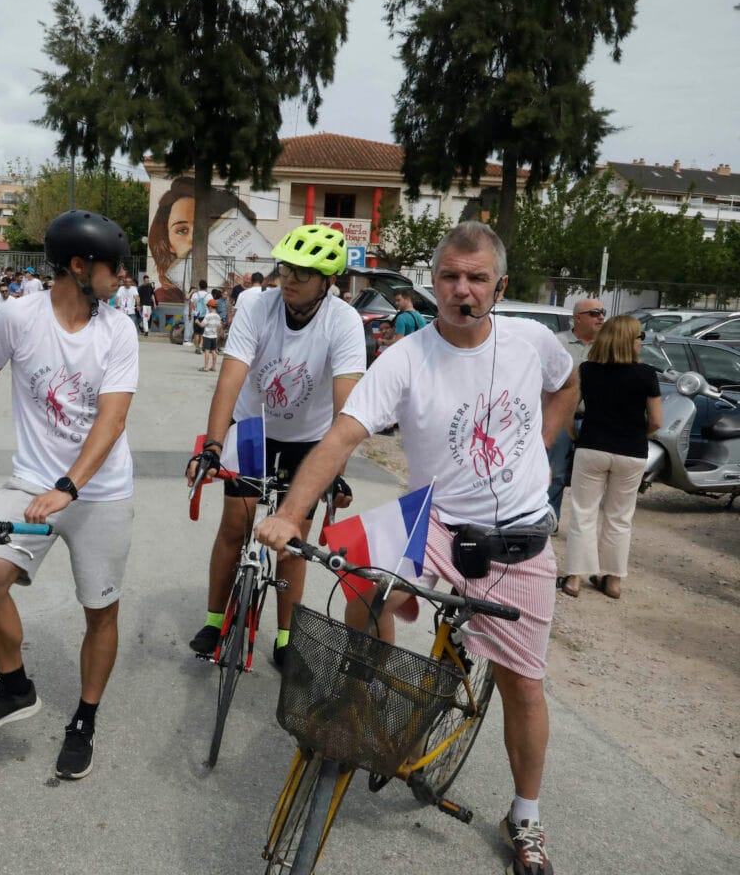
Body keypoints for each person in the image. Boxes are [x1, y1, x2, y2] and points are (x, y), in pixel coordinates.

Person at [255, 222, 579, 875]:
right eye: (451, 277)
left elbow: (566, 384)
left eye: (477, 278)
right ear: (434, 283)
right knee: (359, 576)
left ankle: (525, 816)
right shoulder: (406, 357)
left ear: (499, 287)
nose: (463, 290)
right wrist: (289, 514)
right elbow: (344, 433)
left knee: (522, 684)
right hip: (432, 518)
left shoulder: (532, 341)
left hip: (514, 534)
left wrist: (540, 447)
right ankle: (367, 695)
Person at [0, 210, 136, 781]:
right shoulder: (18, 316)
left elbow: (112, 420)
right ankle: (14, 686)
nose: (123, 276)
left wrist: (69, 487)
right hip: (33, 480)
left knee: (100, 609)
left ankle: (85, 719)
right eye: (114, 267)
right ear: (78, 267)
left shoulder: (118, 330)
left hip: (100, 490)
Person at [184, 224, 365, 668]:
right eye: (286, 268)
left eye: (303, 273)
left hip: (310, 441)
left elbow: (346, 406)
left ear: (328, 281)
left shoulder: (343, 321)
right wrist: (212, 446)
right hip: (253, 427)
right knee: (236, 525)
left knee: (292, 542)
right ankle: (214, 621)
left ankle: (286, 638)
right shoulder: (255, 304)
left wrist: (336, 471)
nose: (289, 280)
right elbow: (230, 381)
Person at [559, 315, 661, 600]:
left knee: (584, 513)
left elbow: (569, 411)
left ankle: (575, 578)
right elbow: (656, 420)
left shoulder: (587, 370)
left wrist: (574, 434)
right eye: (640, 337)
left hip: (592, 446)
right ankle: (612, 580)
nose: (642, 341)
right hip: (631, 451)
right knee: (620, 517)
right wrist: (640, 434)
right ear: (629, 340)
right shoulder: (646, 374)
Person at [546, 299, 604, 522]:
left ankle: (584, 526)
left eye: (602, 312)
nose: (601, 317)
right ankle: (549, 519)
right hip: (560, 417)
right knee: (556, 471)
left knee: (590, 477)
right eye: (595, 313)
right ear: (578, 318)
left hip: (593, 419)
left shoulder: (606, 345)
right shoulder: (557, 343)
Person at [199, 298, 222, 372]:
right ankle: (213, 367)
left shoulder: (208, 316)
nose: (208, 308)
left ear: (210, 307)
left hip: (207, 336)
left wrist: (197, 322)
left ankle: (206, 367)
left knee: (207, 351)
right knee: (213, 351)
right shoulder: (218, 316)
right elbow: (219, 326)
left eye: (208, 306)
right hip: (214, 336)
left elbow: (202, 325)